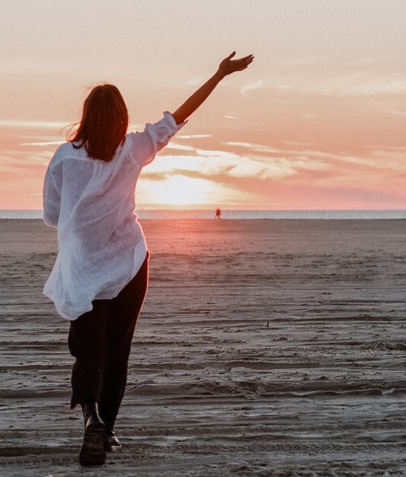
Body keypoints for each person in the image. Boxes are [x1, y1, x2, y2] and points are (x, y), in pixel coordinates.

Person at [42, 51, 254, 466]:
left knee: (89, 352)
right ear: (121, 118)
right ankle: (107, 430)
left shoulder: (65, 157)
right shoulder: (134, 149)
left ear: (86, 117)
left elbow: (52, 215)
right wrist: (219, 74)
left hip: (84, 270)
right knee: (117, 352)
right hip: (129, 265)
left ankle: (92, 420)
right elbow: (180, 115)